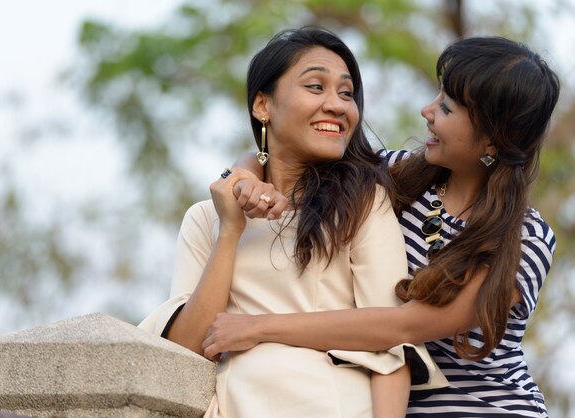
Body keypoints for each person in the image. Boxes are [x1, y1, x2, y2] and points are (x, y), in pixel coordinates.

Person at [203, 36, 560, 417]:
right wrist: (246, 176)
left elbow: (404, 327)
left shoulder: (526, 242)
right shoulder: (392, 174)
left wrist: (258, 327)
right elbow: (286, 150)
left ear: (492, 139)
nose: (427, 111)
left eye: (447, 107)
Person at [138, 27, 446, 418]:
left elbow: (392, 343)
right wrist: (230, 230)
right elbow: (183, 351)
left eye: (347, 93)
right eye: (316, 87)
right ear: (262, 106)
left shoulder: (362, 202)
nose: (337, 105)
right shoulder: (206, 219)